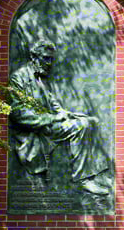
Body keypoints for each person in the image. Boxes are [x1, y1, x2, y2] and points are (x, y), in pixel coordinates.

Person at [9, 39, 111, 196]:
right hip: (37, 129)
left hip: (48, 125)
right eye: (45, 58)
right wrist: (52, 118)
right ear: (34, 57)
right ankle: (84, 180)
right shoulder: (19, 78)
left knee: (89, 121)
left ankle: (97, 174)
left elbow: (51, 101)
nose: (49, 63)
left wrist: (63, 113)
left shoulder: (41, 77)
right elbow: (19, 114)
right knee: (81, 126)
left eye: (51, 59)